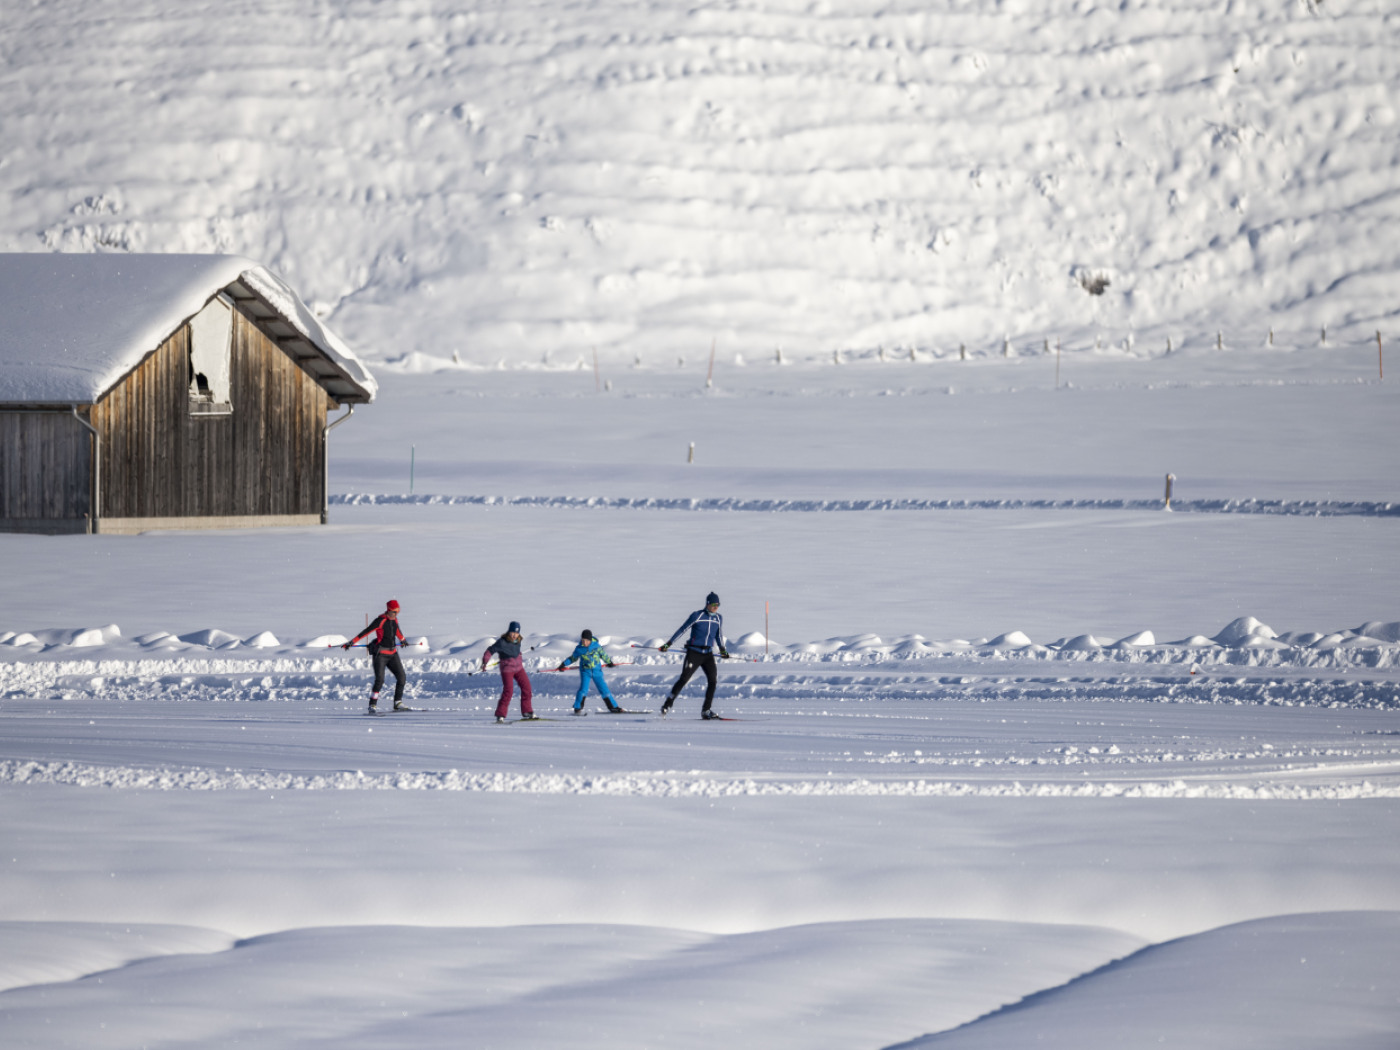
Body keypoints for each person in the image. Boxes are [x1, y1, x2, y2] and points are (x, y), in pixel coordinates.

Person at [658, 591, 730, 719]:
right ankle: (667, 705)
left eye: (718, 605)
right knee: (684, 679)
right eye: (713, 604)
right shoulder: (697, 615)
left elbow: (718, 635)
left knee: (713, 681)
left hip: (708, 654)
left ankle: (706, 710)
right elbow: (682, 629)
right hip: (694, 653)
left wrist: (722, 650)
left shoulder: (718, 618)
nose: (716, 607)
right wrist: (668, 644)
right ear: (707, 604)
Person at [343, 599, 409, 713]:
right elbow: (366, 631)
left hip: (393, 654)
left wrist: (403, 640)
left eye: (397, 612)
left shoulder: (395, 620)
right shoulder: (380, 621)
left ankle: (397, 702)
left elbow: (397, 631)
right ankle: (372, 705)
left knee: (402, 677)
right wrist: (352, 642)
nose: (396, 614)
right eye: (394, 612)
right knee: (380, 680)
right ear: (388, 610)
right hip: (381, 655)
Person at [558, 629, 622, 715]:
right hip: (585, 672)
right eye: (583, 640)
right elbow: (573, 658)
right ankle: (577, 708)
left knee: (604, 689)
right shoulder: (579, 648)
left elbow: (603, 655)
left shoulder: (596, 646)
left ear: (590, 640)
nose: (584, 642)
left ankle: (613, 707)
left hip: (597, 671)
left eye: (586, 640)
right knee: (583, 689)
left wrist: (609, 662)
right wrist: (563, 664)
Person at [484, 621, 537, 722]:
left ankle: (527, 711)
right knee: (509, 691)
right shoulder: (502, 642)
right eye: (512, 632)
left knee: (527, 688)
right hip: (507, 669)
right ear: (509, 631)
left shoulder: (519, 640)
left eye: (516, 633)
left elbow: (514, 651)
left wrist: (517, 655)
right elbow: (490, 650)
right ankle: (500, 715)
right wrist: (485, 662)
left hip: (518, 668)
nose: (514, 635)